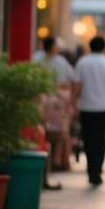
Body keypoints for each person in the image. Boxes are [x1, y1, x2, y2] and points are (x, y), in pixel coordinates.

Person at [74, 36, 105, 186]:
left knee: (88, 140)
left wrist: (73, 104)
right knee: (102, 140)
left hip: (86, 107)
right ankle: (98, 171)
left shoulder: (82, 62)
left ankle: (91, 171)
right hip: (104, 108)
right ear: (104, 48)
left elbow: (76, 86)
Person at [40, 36, 75, 172]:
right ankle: (60, 161)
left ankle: (49, 162)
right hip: (59, 101)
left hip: (43, 99)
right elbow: (67, 80)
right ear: (53, 46)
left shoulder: (38, 59)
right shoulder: (61, 61)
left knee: (46, 132)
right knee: (61, 133)